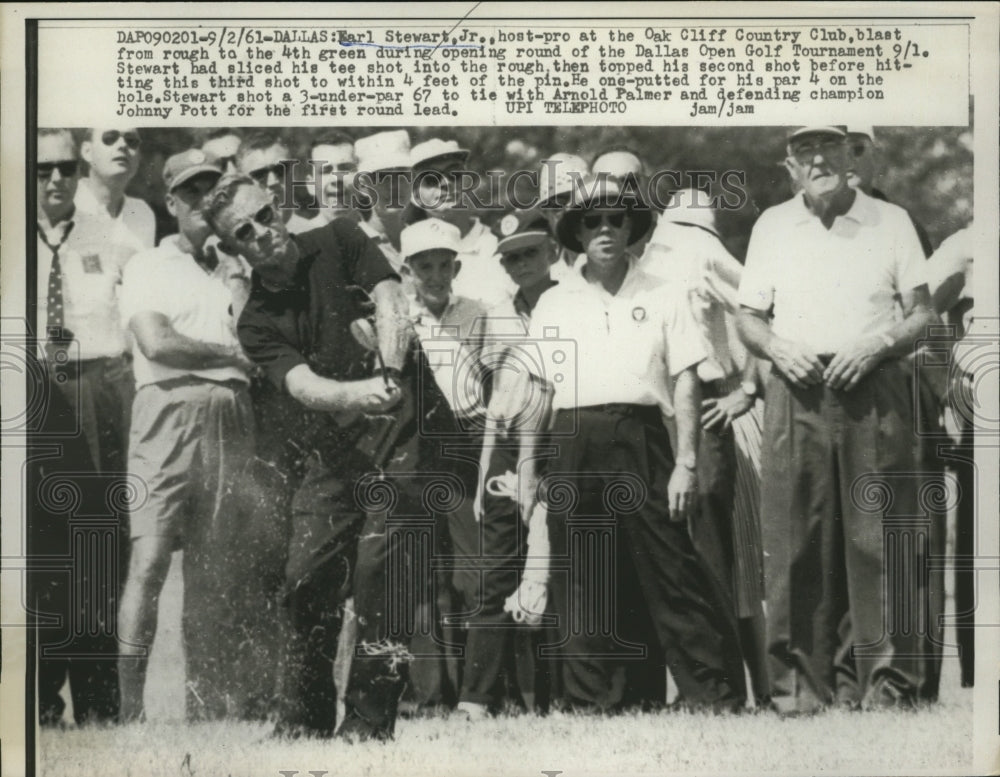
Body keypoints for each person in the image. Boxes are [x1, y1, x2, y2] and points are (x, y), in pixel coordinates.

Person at [211, 174, 458, 741]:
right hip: (333, 441)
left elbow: (392, 299)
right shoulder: (255, 319)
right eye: (244, 233)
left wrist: (389, 371)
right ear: (233, 249)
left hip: (403, 427)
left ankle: (369, 725)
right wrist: (355, 394)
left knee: (381, 571)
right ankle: (301, 720)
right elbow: (301, 387)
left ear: (277, 209)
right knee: (305, 578)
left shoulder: (342, 237)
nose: (262, 234)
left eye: (264, 217)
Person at [520, 175, 747, 712]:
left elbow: (687, 378)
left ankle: (709, 695)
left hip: (640, 436)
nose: (604, 230)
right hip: (573, 440)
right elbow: (537, 391)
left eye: (615, 219)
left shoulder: (664, 293)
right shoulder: (555, 303)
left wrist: (686, 461)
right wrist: (530, 468)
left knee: (670, 569)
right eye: (592, 221)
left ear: (631, 228)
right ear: (576, 231)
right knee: (582, 575)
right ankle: (593, 701)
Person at [736, 125, 938, 713]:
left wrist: (877, 344)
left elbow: (922, 312)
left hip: (871, 383)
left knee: (877, 539)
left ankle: (886, 687)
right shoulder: (773, 224)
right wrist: (775, 347)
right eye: (804, 149)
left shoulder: (891, 221)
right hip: (795, 386)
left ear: (852, 155)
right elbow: (749, 317)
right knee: (796, 540)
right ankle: (799, 691)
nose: (817, 158)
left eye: (829, 145)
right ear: (790, 163)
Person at [117, 149, 257, 723]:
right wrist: (228, 352)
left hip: (230, 412)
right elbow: (157, 341)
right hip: (166, 411)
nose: (205, 203)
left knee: (216, 565)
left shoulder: (239, 267)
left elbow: (257, 347)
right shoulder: (148, 263)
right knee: (149, 561)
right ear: (171, 202)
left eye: (215, 192)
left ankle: (206, 705)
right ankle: (131, 713)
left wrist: (237, 284)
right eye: (192, 192)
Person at [642, 187, 769, 703]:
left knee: (725, 556)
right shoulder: (607, 255)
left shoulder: (693, 247)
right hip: (648, 416)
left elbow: (764, 305)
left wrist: (748, 389)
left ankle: (745, 690)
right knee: (669, 556)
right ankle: (696, 688)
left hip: (712, 406)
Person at [31, 128, 126, 727]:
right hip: (26, 391)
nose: (58, 179)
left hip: (93, 392)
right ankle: (36, 699)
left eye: (67, 167)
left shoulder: (109, 236)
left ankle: (97, 704)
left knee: (95, 546)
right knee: (37, 551)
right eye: (43, 169)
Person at [456, 207, 563, 720]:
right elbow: (498, 398)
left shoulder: (574, 301)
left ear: (553, 253)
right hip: (505, 443)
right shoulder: (498, 315)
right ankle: (477, 697)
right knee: (496, 569)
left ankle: (556, 694)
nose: (521, 264)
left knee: (559, 567)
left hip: (561, 441)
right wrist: (482, 477)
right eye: (511, 257)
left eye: (530, 253)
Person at [410, 137, 512, 308]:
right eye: (430, 180)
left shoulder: (498, 245)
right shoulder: (407, 251)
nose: (445, 183)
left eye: (454, 174)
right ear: (414, 192)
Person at [75, 127, 155, 253]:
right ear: (87, 151)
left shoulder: (143, 214)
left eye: (131, 140)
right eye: (110, 138)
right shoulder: (68, 204)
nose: (123, 145)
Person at [354, 130, 412, 277]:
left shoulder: (424, 238)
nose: (393, 186)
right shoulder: (353, 246)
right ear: (363, 186)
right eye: (382, 177)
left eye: (401, 175)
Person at [236, 130, 315, 234]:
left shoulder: (320, 237)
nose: (272, 182)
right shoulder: (227, 247)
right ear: (243, 184)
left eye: (280, 170)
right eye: (260, 175)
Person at [536, 152, 590, 279]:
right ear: (545, 214)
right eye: (558, 205)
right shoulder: (547, 280)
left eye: (578, 202)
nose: (569, 211)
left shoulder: (620, 266)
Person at [308, 129, 358, 225]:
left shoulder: (382, 236)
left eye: (345, 168)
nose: (337, 178)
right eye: (325, 171)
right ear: (310, 185)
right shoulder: (297, 238)